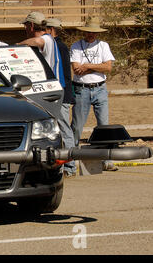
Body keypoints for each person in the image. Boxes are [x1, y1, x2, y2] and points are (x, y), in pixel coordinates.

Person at [70, 17, 118, 171]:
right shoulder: (76, 46)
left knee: (103, 124)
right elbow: (76, 69)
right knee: (77, 126)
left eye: (94, 32)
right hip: (81, 88)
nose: (91, 34)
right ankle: (71, 161)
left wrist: (88, 66)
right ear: (85, 32)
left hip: (100, 88)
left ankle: (106, 159)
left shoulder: (104, 46)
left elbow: (108, 67)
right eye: (89, 32)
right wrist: (98, 66)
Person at [46, 18, 77, 177]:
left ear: (51, 30)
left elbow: (64, 75)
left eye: (46, 29)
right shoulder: (59, 46)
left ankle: (70, 166)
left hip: (61, 95)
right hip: (62, 93)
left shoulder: (58, 47)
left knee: (65, 130)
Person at [18, 12, 65, 89]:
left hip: (53, 86)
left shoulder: (48, 38)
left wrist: (18, 45)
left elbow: (37, 41)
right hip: (47, 86)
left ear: (32, 25)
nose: (25, 29)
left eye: (26, 25)